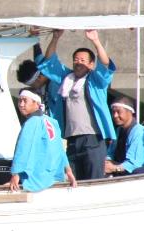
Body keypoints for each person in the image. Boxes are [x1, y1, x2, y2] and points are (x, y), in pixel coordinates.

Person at [38, 29, 116, 180]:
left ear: (91, 64)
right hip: (72, 140)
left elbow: (105, 65)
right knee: (74, 180)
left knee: (94, 180)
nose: (78, 63)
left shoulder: (95, 81)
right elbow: (49, 62)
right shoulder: (66, 78)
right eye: (76, 60)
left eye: (83, 60)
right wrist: (55, 38)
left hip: (92, 139)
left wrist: (96, 41)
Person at [9, 88, 76, 192]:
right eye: (20, 100)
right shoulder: (52, 121)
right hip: (53, 177)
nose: (21, 104)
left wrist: (15, 174)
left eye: (25, 101)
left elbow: (23, 148)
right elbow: (60, 149)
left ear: (36, 103)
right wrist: (68, 171)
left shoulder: (32, 122)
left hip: (37, 179)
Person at [104, 96, 144, 176]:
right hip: (121, 168)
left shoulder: (139, 132)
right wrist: (106, 162)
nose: (115, 115)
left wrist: (113, 168)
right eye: (113, 112)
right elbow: (110, 153)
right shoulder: (119, 130)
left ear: (130, 112)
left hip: (139, 174)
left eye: (118, 112)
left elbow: (134, 163)